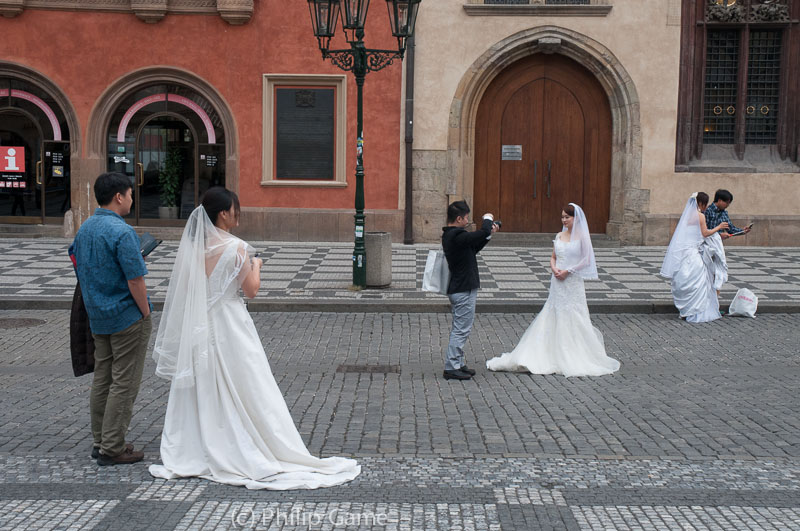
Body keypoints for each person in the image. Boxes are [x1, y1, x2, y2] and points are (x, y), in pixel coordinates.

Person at [149, 187, 360, 490]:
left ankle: (199, 443)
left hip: (201, 323)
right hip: (230, 323)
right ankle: (248, 442)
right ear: (223, 214)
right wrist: (257, 265)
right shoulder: (237, 248)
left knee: (205, 384)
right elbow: (251, 290)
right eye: (235, 208)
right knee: (248, 381)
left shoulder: (195, 247)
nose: (238, 212)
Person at [69, 172, 152, 466]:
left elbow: (79, 266)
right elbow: (135, 280)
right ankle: (113, 446)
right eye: (130, 194)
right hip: (126, 316)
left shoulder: (85, 228)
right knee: (124, 382)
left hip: (98, 316)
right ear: (119, 196)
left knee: (103, 378)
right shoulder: (122, 232)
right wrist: (145, 311)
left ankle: (100, 439)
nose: (132, 199)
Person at [486, 203, 620, 377]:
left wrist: (568, 271)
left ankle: (573, 352)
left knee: (574, 313)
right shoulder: (559, 235)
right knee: (553, 310)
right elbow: (553, 256)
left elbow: (586, 260)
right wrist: (554, 268)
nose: (564, 220)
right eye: (562, 217)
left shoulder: (582, 237)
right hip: (557, 280)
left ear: (575, 218)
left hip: (572, 281)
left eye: (567, 217)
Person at [441, 200, 498, 380]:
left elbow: (474, 247)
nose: (468, 221)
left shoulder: (456, 236)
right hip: (462, 289)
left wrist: (488, 235)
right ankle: (451, 366)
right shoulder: (455, 236)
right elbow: (480, 233)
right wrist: (487, 219)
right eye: (466, 218)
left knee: (462, 328)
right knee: (461, 329)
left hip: (463, 287)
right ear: (458, 219)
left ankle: (457, 363)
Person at [660, 192, 729, 323]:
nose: (706, 206)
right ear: (701, 203)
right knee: (699, 281)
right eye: (705, 204)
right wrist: (719, 228)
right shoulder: (700, 216)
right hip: (693, 253)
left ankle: (686, 310)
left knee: (685, 278)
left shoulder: (686, 216)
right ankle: (695, 310)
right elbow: (705, 233)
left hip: (684, 253)